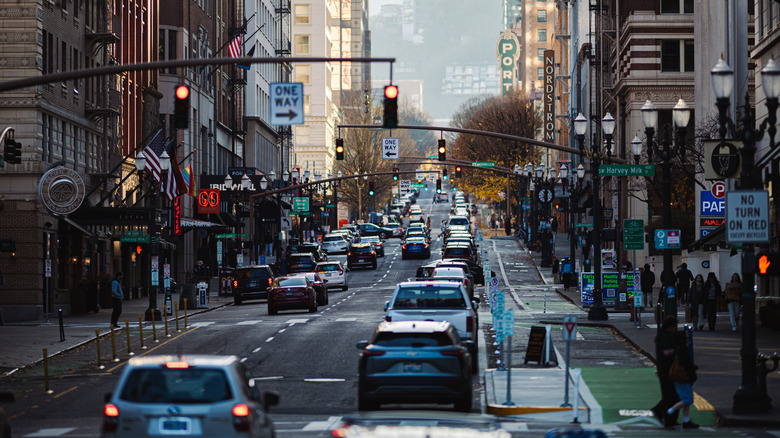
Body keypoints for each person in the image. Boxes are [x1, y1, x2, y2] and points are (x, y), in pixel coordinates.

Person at [655, 315, 699, 429]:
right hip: (668, 370)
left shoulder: (663, 336)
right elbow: (666, 352)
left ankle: (665, 415)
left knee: (671, 395)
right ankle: (664, 413)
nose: (675, 329)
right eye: (674, 327)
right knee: (672, 395)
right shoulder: (665, 337)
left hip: (667, 370)